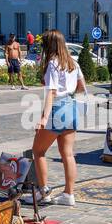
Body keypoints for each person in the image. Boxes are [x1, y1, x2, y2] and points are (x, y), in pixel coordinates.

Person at [32, 30, 85, 207]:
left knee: (38, 151)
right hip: (71, 106)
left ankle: (43, 192)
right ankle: (69, 194)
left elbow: (51, 93)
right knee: (68, 154)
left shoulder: (53, 64)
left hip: (57, 109)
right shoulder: (73, 63)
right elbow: (81, 86)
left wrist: (43, 118)